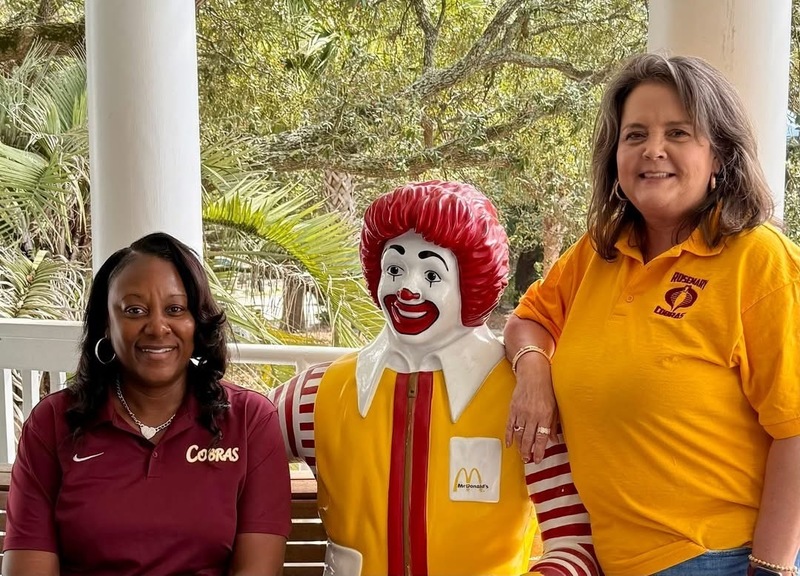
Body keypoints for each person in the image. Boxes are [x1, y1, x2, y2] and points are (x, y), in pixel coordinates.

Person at [505, 53, 800, 576]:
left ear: (719, 156)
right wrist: (533, 370)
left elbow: (795, 431)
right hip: (611, 558)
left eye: (678, 133)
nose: (653, 149)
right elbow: (529, 319)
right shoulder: (598, 252)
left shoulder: (760, 259)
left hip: (722, 560)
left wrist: (770, 570)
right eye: (635, 134)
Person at [269, 181, 600, 576]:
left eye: (431, 274)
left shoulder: (528, 403)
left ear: (471, 283)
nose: (408, 290)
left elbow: (573, 543)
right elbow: (227, 439)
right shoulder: (316, 396)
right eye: (394, 269)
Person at [3, 232, 291, 576]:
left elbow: (257, 570)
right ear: (106, 324)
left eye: (175, 309)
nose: (157, 327)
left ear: (197, 321)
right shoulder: (52, 423)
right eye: (134, 310)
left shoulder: (249, 420)